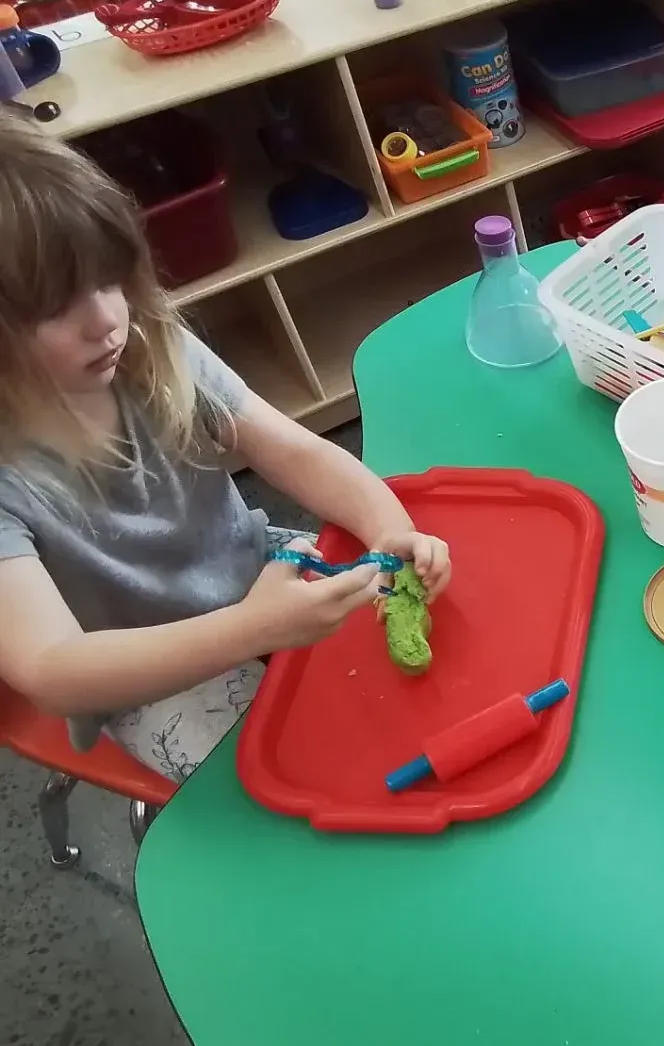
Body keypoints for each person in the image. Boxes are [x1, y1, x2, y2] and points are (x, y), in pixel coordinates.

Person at [0, 113, 451, 782]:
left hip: (256, 573)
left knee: (419, 701)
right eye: (53, 308)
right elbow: (50, 670)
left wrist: (390, 530)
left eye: (109, 278)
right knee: (306, 784)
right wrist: (252, 631)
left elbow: (294, 453)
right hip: (147, 674)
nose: (105, 319)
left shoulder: (150, 346)